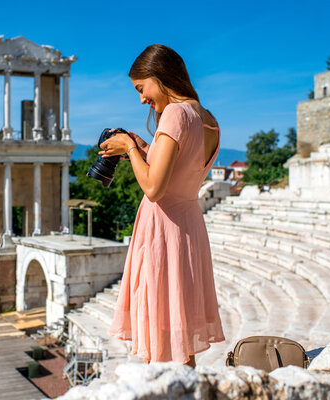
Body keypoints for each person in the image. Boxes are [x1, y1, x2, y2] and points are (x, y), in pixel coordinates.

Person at [102, 44, 225, 367]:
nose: (141, 98)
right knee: (180, 337)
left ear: (160, 76)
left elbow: (155, 188)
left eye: (141, 88)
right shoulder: (207, 118)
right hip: (189, 227)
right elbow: (181, 169)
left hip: (163, 228)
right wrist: (146, 147)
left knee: (158, 329)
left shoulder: (175, 114)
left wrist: (130, 147)